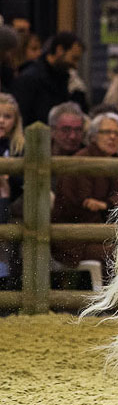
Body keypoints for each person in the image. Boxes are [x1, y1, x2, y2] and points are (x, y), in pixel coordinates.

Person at [51, 112, 118, 269]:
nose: (112, 137)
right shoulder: (81, 161)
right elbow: (81, 204)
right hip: (75, 239)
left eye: (117, 133)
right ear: (93, 136)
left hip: (110, 234)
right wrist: (108, 205)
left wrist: (106, 204)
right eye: (106, 132)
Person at [11, 32, 86, 126]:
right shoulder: (30, 78)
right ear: (60, 50)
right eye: (73, 58)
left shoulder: (64, 79)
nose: (75, 65)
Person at [0, 93, 24, 289]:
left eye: (7, 117)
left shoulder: (20, 146)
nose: (1, 121)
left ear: (15, 121)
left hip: (14, 202)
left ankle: (6, 281)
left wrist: (8, 176)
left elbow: (25, 180)